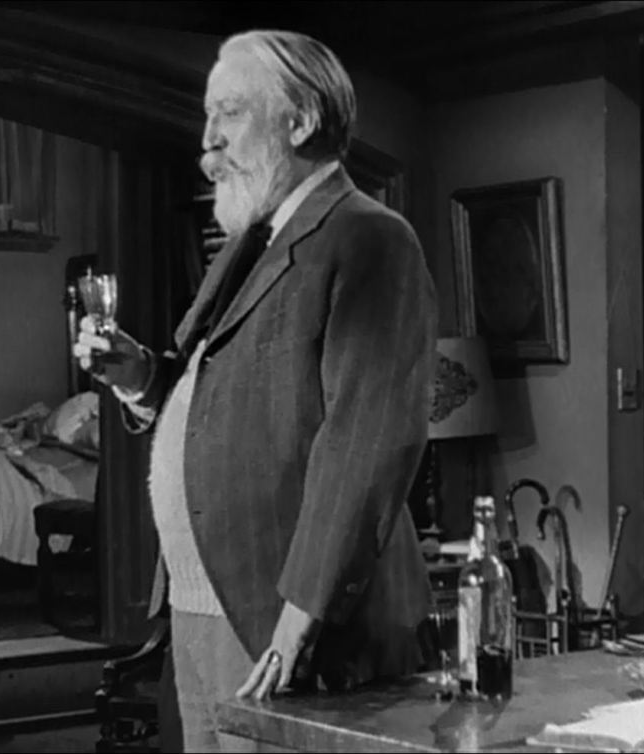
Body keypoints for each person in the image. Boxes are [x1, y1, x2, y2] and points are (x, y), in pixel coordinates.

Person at [74, 29, 437, 752]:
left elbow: (365, 441)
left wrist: (302, 614)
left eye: (230, 113)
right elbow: (219, 401)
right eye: (208, 116)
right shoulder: (248, 245)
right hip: (202, 609)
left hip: (285, 620)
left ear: (299, 121)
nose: (207, 142)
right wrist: (140, 377)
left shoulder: (370, 238)